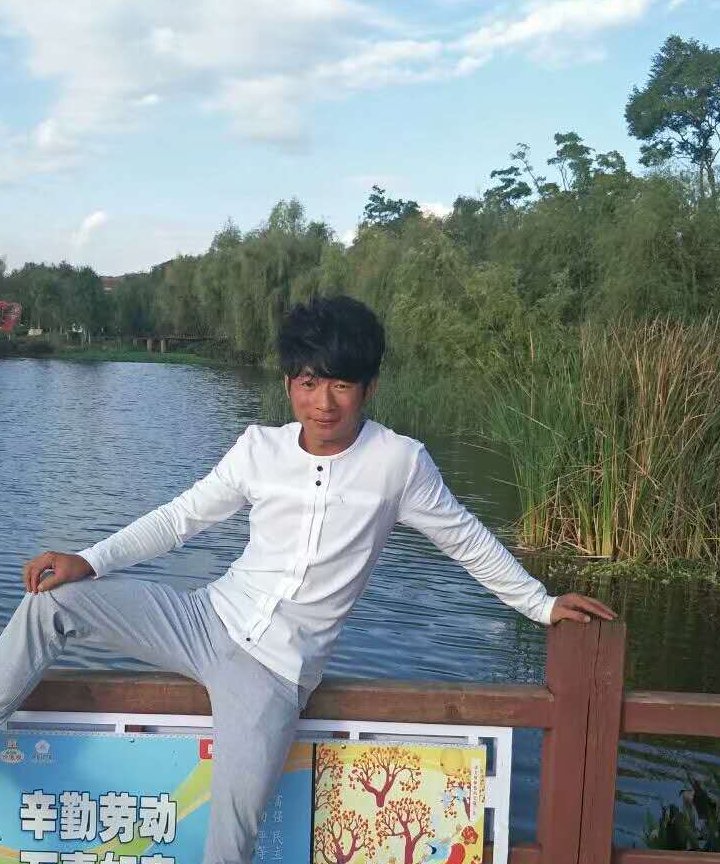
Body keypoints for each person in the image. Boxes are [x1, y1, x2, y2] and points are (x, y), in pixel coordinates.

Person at [3, 295, 614, 864]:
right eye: (309, 382)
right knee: (52, 601)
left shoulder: (398, 464)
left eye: (342, 384)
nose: (324, 403)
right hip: (203, 618)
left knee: (229, 843)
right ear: (288, 383)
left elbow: (466, 540)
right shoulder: (258, 449)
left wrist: (540, 603)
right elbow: (180, 518)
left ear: (369, 387)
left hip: (272, 672)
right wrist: (91, 559)